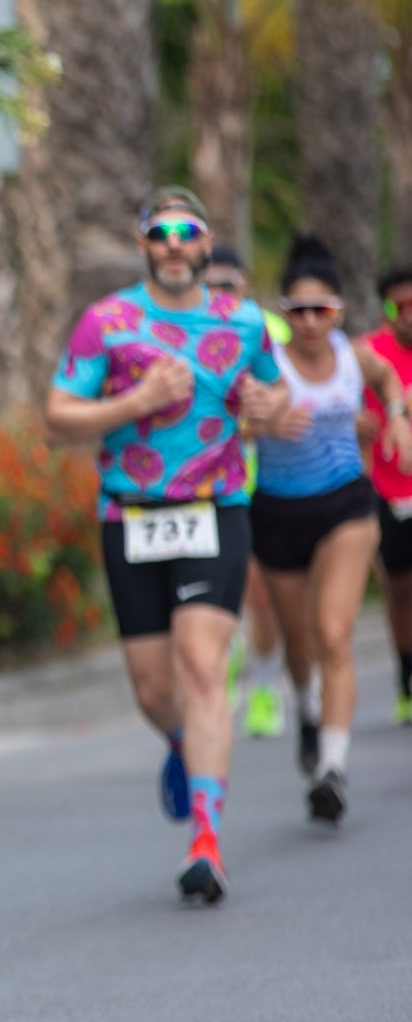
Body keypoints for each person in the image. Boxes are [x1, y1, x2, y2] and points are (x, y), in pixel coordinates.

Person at [45, 188, 286, 904]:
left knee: (202, 663)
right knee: (153, 689)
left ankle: (206, 839)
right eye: (161, 233)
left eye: (187, 232)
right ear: (143, 244)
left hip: (215, 508)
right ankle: (184, 747)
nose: (175, 244)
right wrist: (136, 402)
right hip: (131, 514)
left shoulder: (242, 322)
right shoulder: (108, 323)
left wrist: (269, 410)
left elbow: (275, 402)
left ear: (208, 243)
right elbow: (57, 419)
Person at [252, 236, 412, 825]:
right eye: (299, 312)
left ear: (339, 312)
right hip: (277, 512)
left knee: (332, 632)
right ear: (285, 313)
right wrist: (261, 423)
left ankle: (334, 769)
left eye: (323, 311)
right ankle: (306, 708)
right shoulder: (265, 360)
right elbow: (230, 421)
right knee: (299, 645)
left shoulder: (357, 356)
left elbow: (391, 381)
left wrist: (395, 417)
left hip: (345, 505)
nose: (312, 323)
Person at [205, 243, 290, 741]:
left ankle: (263, 689)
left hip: (269, 485)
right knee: (226, 594)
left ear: (245, 283)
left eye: (228, 285)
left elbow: (291, 397)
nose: (219, 294)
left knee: (262, 594)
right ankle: (231, 656)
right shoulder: (187, 333)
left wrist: (267, 416)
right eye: (210, 285)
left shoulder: (268, 332)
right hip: (214, 486)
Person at [358, 265, 412, 727]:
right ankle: (406, 676)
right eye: (400, 306)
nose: (409, 315)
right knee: (399, 588)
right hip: (386, 489)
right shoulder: (368, 355)